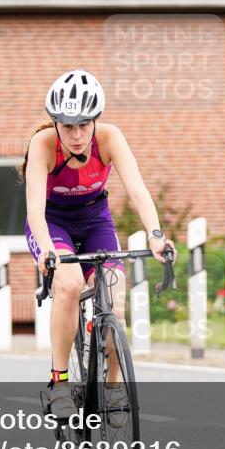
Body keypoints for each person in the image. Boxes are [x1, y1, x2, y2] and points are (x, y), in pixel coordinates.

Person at [17, 69, 177, 417]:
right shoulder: (42, 146)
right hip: (53, 223)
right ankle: (59, 383)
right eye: (67, 125)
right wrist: (46, 251)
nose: (76, 135)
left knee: (115, 302)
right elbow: (34, 212)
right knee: (70, 284)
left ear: (96, 120)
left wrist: (155, 235)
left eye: (84, 124)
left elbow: (137, 190)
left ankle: (112, 386)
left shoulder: (110, 138)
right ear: (55, 123)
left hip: (94, 219)